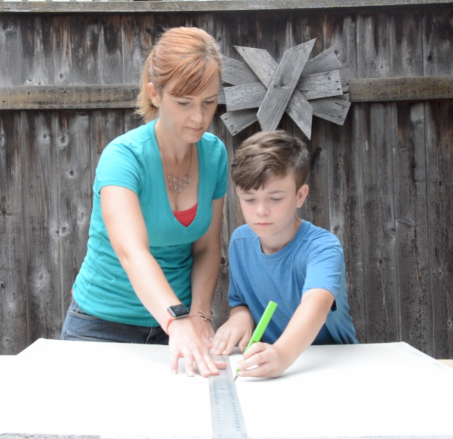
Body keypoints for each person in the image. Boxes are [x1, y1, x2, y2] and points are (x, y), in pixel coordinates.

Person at [61, 27, 228, 378]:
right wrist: (177, 319)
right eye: (184, 103)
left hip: (180, 329)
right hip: (101, 328)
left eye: (208, 102)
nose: (199, 117)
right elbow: (132, 253)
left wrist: (198, 315)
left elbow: (207, 248)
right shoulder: (122, 158)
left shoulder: (214, 154)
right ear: (155, 94)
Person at [211, 130, 357, 378]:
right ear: (237, 194)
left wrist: (282, 354)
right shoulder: (240, 242)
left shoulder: (322, 248)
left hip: (334, 366)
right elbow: (241, 301)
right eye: (249, 198)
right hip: (272, 368)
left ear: (300, 196)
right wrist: (240, 316)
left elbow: (316, 306)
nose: (261, 211)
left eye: (275, 198)